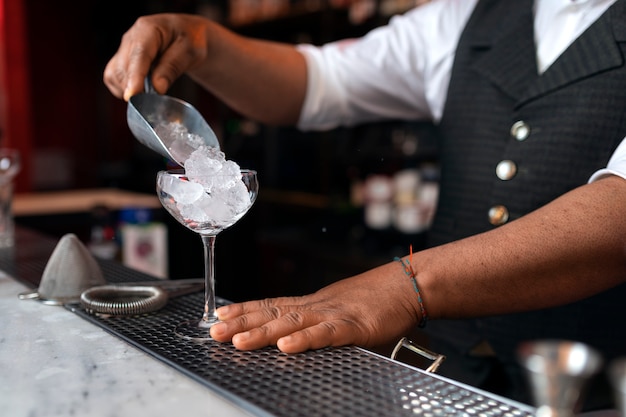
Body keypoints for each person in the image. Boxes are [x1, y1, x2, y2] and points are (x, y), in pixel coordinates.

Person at [104, 0, 626, 408]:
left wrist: (403, 287)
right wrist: (203, 41)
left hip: (600, 387)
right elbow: (317, 83)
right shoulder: (467, 16)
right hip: (449, 374)